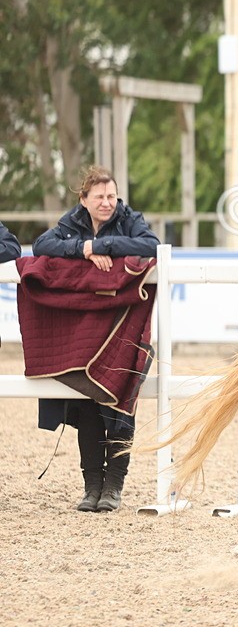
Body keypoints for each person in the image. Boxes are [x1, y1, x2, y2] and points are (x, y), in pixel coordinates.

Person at [33, 166, 159, 512]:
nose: (107, 203)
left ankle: (114, 485)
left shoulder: (129, 217)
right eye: (100, 197)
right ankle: (92, 487)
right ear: (84, 199)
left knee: (120, 403)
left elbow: (151, 245)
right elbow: (42, 245)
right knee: (86, 404)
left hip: (123, 325)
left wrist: (102, 244)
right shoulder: (72, 220)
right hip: (84, 329)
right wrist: (83, 249)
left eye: (112, 196)